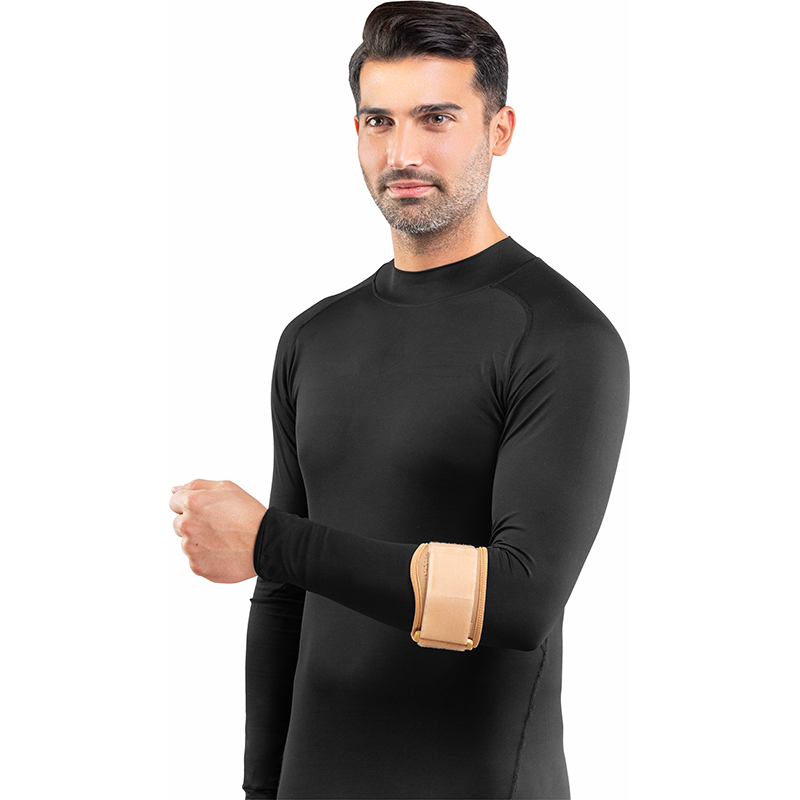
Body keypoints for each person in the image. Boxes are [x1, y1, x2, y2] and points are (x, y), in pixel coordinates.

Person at [170, 2, 629, 798]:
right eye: (379, 121)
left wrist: (272, 540)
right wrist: (260, 786)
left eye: (436, 118)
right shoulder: (314, 337)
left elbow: (519, 600)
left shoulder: (561, 337)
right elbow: (282, 600)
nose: (403, 152)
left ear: (500, 130)